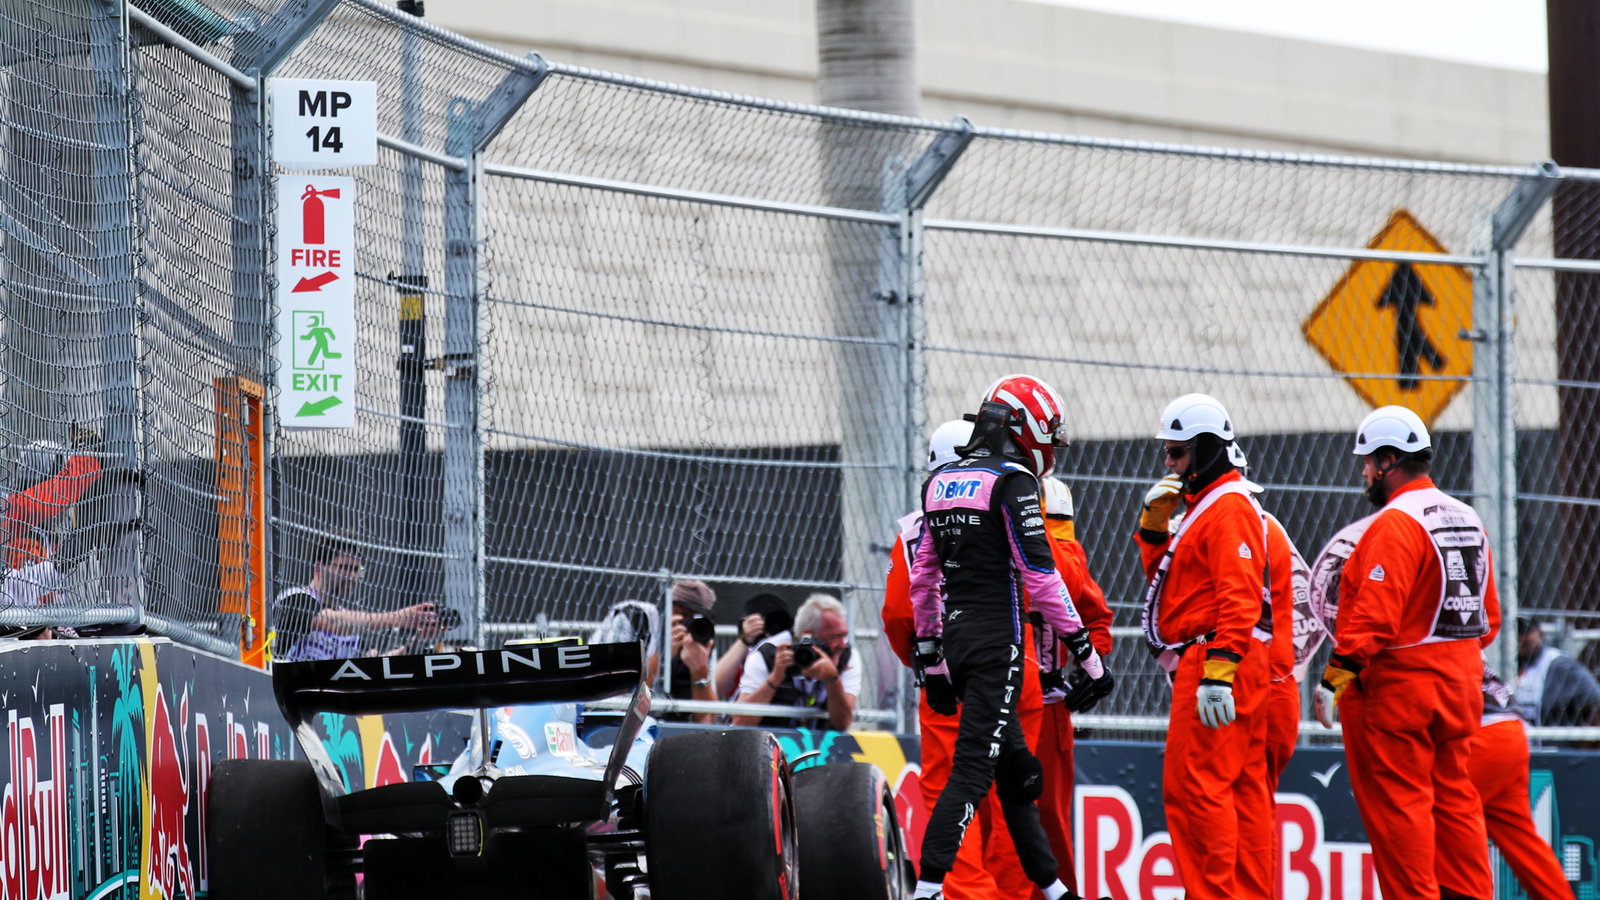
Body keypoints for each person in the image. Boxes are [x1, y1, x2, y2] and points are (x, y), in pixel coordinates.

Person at [908, 374, 1114, 900]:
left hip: (956, 642)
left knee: (1019, 774)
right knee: (971, 774)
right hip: (998, 645)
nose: (1053, 452)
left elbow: (923, 580)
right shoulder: (1014, 480)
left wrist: (933, 661)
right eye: (1051, 437)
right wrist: (1090, 659)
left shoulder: (939, 481)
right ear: (1025, 427)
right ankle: (926, 890)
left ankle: (1053, 890)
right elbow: (1042, 580)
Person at [1313, 404, 1499, 900]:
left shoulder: (1395, 523)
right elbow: (1488, 619)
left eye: (1368, 462)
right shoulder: (1468, 517)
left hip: (1399, 694)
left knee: (1399, 813)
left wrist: (1334, 680)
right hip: (1460, 688)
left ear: (1389, 461)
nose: (1364, 472)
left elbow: (1374, 617)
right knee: (1456, 803)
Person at [1135, 392, 1273, 900]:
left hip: (1217, 657)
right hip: (1226, 656)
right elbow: (1174, 588)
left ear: (1207, 448)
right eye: (1167, 453)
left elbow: (1239, 596)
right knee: (1242, 792)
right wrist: (1154, 530)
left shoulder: (1227, 507)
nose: (1169, 464)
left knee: (1196, 789)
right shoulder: (1207, 508)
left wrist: (1218, 672)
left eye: (1177, 452)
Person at [1469, 664, 1576, 900]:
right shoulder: (1467, 640)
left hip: (1482, 735)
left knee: (1437, 823)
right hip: (1511, 731)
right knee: (1521, 839)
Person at [271, 539, 440, 661]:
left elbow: (374, 666)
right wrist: (397, 618)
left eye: (356, 570)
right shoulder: (295, 598)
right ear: (319, 567)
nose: (352, 576)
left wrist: (417, 643)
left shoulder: (350, 624)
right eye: (345, 567)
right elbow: (330, 622)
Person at [733, 592, 859, 731]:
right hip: (771, 740)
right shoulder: (768, 653)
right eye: (834, 636)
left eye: (844, 636)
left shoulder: (848, 656)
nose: (841, 645)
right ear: (807, 634)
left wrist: (833, 680)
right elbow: (740, 723)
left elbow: (843, 724)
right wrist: (775, 678)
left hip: (823, 742)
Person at [1514, 617, 1600, 728]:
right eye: (1517, 633)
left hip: (1548, 736)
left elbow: (1594, 699)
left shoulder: (1560, 665)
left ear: (1540, 634)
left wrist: (1587, 737)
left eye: (1526, 632)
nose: (1520, 638)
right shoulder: (1513, 664)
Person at [713, 592, 793, 701]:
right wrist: (744, 640)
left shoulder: (797, 655)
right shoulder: (748, 656)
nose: (769, 635)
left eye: (777, 624)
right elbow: (717, 687)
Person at [661, 579, 721, 724]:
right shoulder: (648, 630)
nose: (689, 624)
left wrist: (699, 671)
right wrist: (665, 656)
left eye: (695, 618)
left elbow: (707, 722)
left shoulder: (700, 644)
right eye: (683, 615)